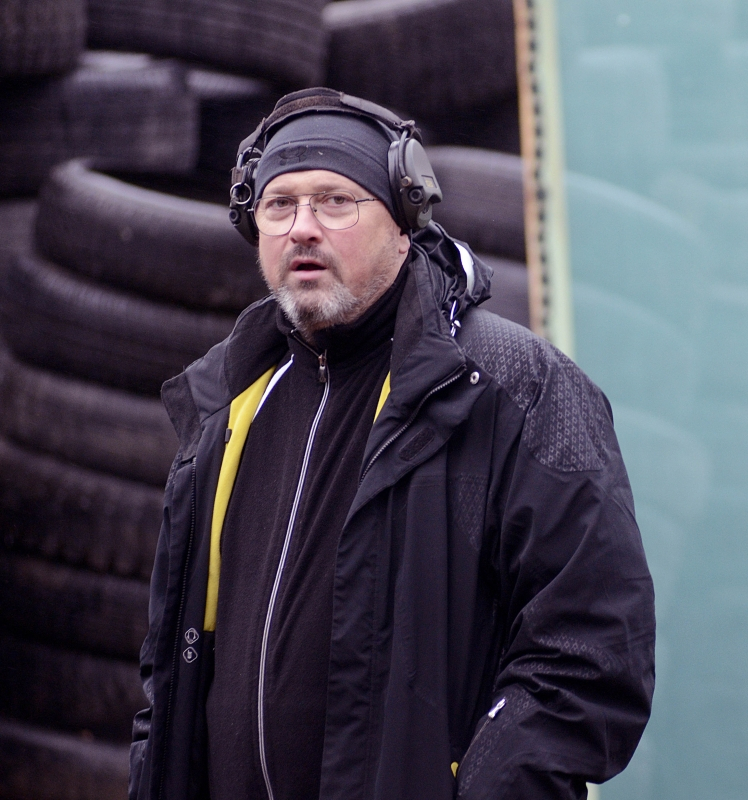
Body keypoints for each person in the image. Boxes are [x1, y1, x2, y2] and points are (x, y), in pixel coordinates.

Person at [128, 88, 655, 800]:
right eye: (280, 205)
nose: (302, 228)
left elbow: (592, 650)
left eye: (335, 202)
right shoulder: (228, 409)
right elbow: (170, 672)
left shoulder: (513, 387)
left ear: (406, 221)